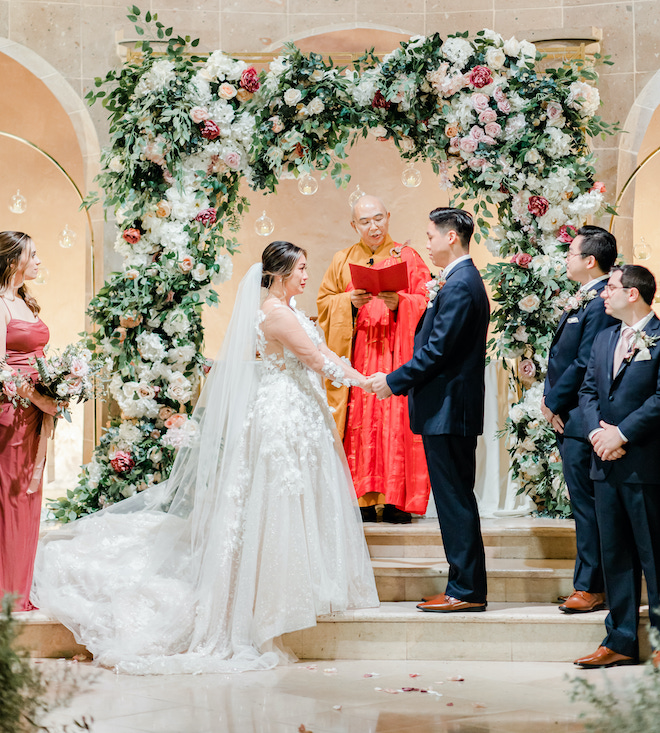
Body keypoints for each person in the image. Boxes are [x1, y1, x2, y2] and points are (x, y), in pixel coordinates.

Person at [32, 241, 379, 674]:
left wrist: (358, 377)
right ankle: (268, 596)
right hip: (280, 414)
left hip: (296, 411)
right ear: (281, 272)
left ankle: (302, 586)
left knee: (297, 497)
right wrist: (369, 382)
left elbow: (319, 356)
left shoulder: (286, 310)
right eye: (302, 268)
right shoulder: (274, 313)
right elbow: (315, 358)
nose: (308, 275)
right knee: (278, 498)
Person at [370, 208, 489, 612]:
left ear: (451, 236)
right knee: (455, 499)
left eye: (430, 235)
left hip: (450, 408)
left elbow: (437, 351)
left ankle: (467, 591)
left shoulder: (459, 284)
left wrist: (392, 381)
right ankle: (463, 585)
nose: (427, 243)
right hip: (448, 407)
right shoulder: (458, 280)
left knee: (455, 500)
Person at [317, 195, 431, 523]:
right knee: (359, 424)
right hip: (360, 353)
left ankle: (397, 501)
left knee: (397, 425)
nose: (373, 226)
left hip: (398, 355)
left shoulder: (408, 257)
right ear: (354, 225)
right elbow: (324, 303)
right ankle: (363, 500)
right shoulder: (343, 259)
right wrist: (348, 302)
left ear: (389, 217)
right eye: (365, 221)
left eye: (378, 218)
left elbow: (428, 301)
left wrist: (402, 303)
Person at [575, 264, 660, 668]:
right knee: (616, 555)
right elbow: (588, 390)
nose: (603, 294)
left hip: (644, 463)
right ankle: (621, 640)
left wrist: (620, 435)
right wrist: (597, 435)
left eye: (610, 287)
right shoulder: (604, 337)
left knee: (654, 556)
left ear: (633, 294)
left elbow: (659, 400)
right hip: (604, 463)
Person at [541, 226, 619, 614]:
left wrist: (553, 401)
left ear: (590, 261)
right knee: (582, 502)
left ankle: (591, 586)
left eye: (571, 253)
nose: (566, 259)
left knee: (588, 504)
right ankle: (587, 579)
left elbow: (586, 361)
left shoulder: (601, 302)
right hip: (568, 414)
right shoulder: (584, 299)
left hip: (582, 416)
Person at [0, 231, 58, 612]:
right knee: (12, 496)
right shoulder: (0, 304)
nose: (38, 261)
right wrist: (36, 396)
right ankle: (8, 595)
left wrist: (60, 386)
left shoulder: (24, 301)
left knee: (30, 497)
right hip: (12, 410)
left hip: (36, 412)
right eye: (32, 255)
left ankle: (21, 587)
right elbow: (1, 367)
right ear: (12, 260)